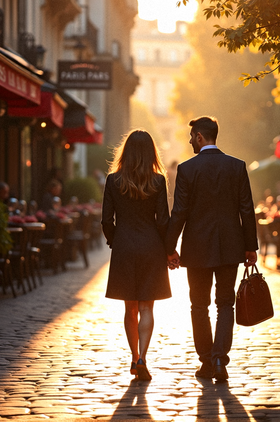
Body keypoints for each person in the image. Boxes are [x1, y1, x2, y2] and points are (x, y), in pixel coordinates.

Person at [165, 116, 258, 381]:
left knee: (198, 306)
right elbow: (246, 209)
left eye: (192, 136)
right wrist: (250, 246)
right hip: (231, 246)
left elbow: (179, 211)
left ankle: (206, 360)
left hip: (197, 248)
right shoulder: (236, 166)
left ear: (200, 137)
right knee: (225, 304)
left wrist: (169, 247)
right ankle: (220, 359)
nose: (190, 141)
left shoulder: (187, 169)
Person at [101, 130, 171, 381]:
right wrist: (169, 249)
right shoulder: (158, 181)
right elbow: (163, 220)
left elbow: (106, 220)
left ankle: (133, 358)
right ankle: (143, 356)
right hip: (151, 246)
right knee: (147, 306)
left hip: (124, 246)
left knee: (129, 306)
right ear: (151, 152)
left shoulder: (113, 180)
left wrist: (114, 240)